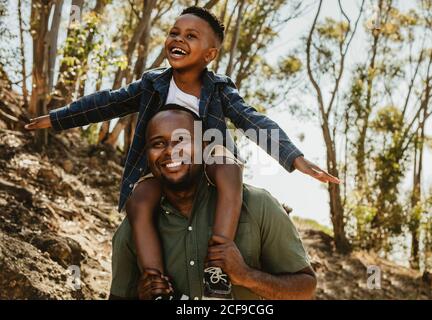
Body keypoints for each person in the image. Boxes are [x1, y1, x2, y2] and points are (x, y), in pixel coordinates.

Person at [25, 6, 338, 299]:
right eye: (175, 32)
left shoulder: (218, 89)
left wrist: (295, 159)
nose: (178, 39)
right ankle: (155, 279)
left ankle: (217, 264)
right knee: (140, 198)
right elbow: (106, 102)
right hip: (169, 167)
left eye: (191, 36)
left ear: (210, 54)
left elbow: (253, 121)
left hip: (211, 160)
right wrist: (58, 118)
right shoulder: (152, 83)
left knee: (228, 167)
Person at [111, 106, 316, 300]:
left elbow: (305, 289)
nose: (171, 151)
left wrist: (246, 275)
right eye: (158, 143)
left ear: (203, 147)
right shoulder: (136, 226)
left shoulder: (257, 205)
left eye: (182, 140)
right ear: (147, 155)